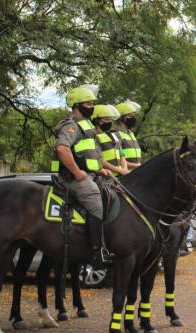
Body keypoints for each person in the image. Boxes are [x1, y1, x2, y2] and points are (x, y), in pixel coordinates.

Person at [52, 86, 115, 268]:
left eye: (92, 103)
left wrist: (101, 170)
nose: (91, 106)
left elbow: (91, 155)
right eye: (88, 103)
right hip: (72, 178)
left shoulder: (87, 125)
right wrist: (77, 172)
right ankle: (97, 252)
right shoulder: (71, 125)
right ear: (77, 105)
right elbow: (62, 149)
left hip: (91, 175)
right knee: (95, 199)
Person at [91, 104, 129, 177]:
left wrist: (124, 169)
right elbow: (100, 160)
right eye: (106, 119)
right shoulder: (94, 137)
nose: (109, 122)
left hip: (120, 176)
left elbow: (121, 154)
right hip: (105, 177)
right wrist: (120, 171)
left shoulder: (114, 135)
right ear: (96, 120)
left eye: (110, 119)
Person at [113, 99, 143, 170]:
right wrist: (139, 166)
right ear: (122, 118)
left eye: (133, 116)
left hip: (136, 173)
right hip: (125, 176)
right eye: (130, 116)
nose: (133, 118)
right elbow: (119, 160)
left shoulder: (130, 133)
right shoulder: (116, 134)